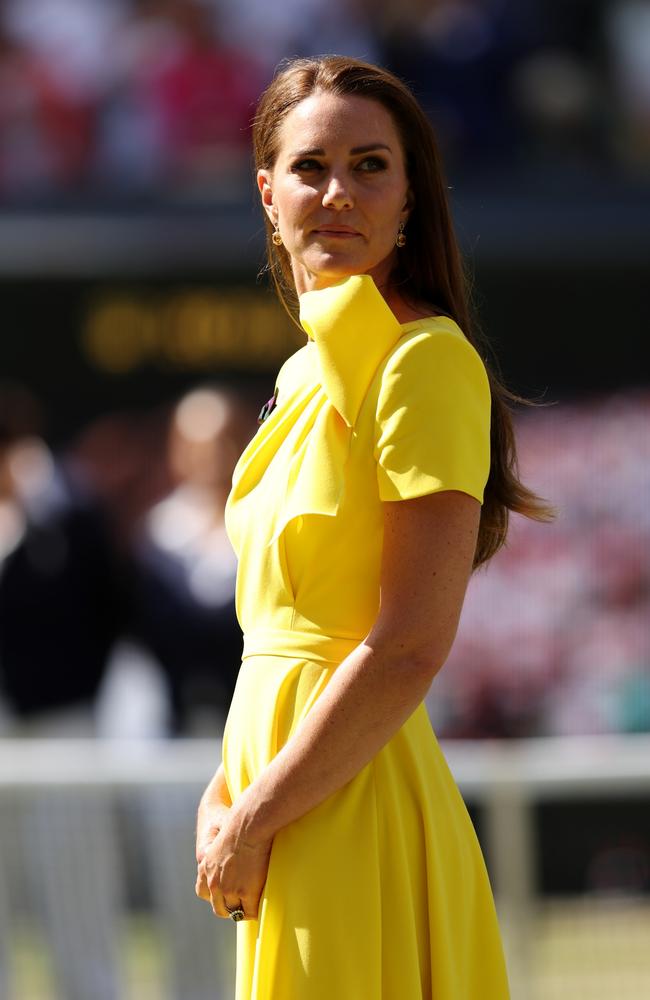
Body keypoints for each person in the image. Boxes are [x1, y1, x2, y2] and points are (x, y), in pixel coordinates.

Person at [195, 55, 551, 999]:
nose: (338, 192)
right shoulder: (303, 371)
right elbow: (276, 634)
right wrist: (226, 793)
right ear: (268, 195)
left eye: (370, 165)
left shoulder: (425, 360)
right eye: (311, 167)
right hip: (279, 794)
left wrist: (255, 815)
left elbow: (406, 646)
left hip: (348, 799)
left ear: (410, 201)